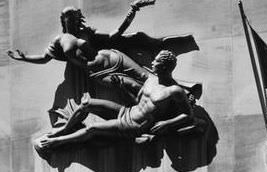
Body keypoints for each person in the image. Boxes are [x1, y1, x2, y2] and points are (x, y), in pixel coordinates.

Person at [8, 2, 199, 102]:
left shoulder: (86, 33)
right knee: (136, 87)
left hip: (112, 58)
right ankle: (173, 101)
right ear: (63, 19)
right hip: (97, 73)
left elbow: (114, 35)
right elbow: (43, 59)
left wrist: (130, 14)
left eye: (75, 16)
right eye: (69, 17)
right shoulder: (59, 41)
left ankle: (186, 90)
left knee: (147, 75)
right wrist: (23, 58)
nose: (72, 19)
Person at [36, 50, 197, 150]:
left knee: (92, 129)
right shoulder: (151, 80)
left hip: (135, 125)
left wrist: (166, 124)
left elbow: (187, 115)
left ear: (164, 67)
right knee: (87, 104)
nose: (152, 62)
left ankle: (56, 142)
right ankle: (63, 129)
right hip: (126, 111)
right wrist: (121, 88)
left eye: (156, 61)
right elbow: (136, 101)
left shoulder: (174, 91)